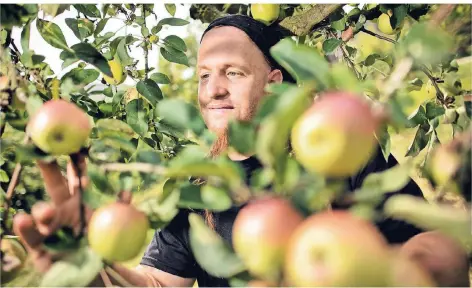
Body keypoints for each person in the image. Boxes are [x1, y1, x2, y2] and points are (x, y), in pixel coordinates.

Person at [12, 15, 469, 287]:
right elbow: (156, 283)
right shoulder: (194, 189)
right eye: (204, 75)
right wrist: (92, 263)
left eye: (232, 72)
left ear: (273, 84)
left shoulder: (336, 160)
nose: (212, 90)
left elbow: (437, 249)